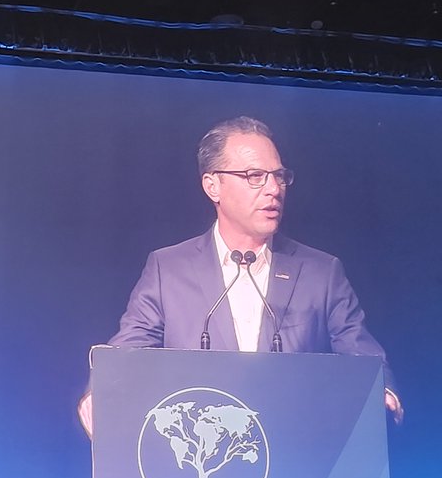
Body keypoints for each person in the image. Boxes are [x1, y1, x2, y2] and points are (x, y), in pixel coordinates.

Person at [78, 115, 402, 436]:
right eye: (254, 176)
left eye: (279, 176)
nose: (273, 189)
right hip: (206, 451)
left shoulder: (320, 272)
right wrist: (100, 392)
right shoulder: (168, 269)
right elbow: (129, 350)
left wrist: (383, 391)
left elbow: (362, 353)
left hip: (297, 449)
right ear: (212, 185)